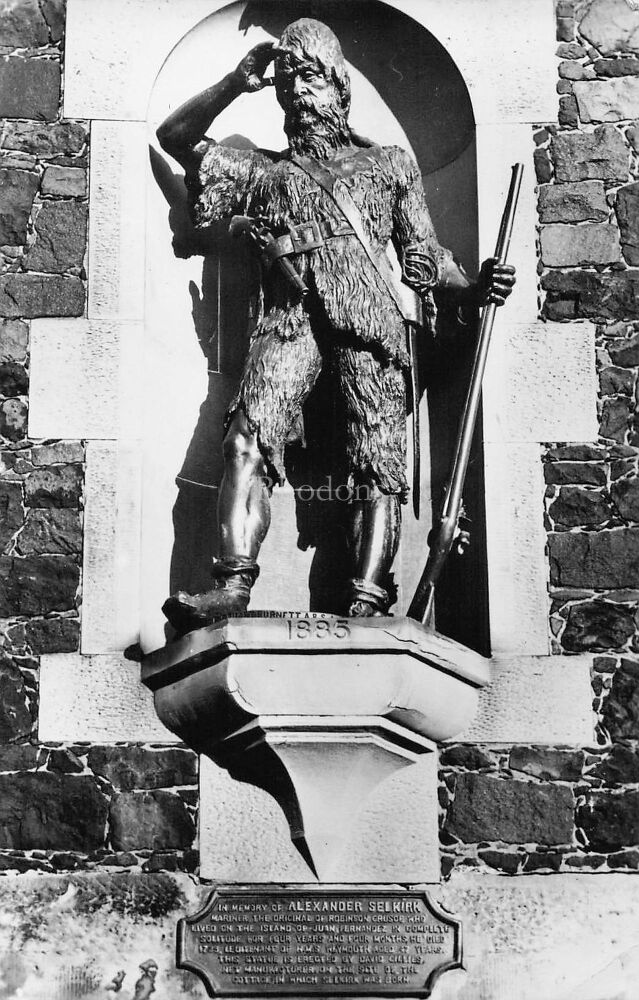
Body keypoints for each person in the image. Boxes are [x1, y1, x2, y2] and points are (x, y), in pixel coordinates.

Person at [157, 18, 515, 633]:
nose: (297, 91)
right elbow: (176, 135)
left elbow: (428, 259)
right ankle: (232, 585)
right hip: (290, 321)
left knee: (378, 458)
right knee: (245, 433)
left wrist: (477, 287)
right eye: (287, 79)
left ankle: (369, 598)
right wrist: (235, 83)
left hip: (369, 324)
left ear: (339, 87)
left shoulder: (388, 165)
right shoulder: (260, 173)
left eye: (311, 77)